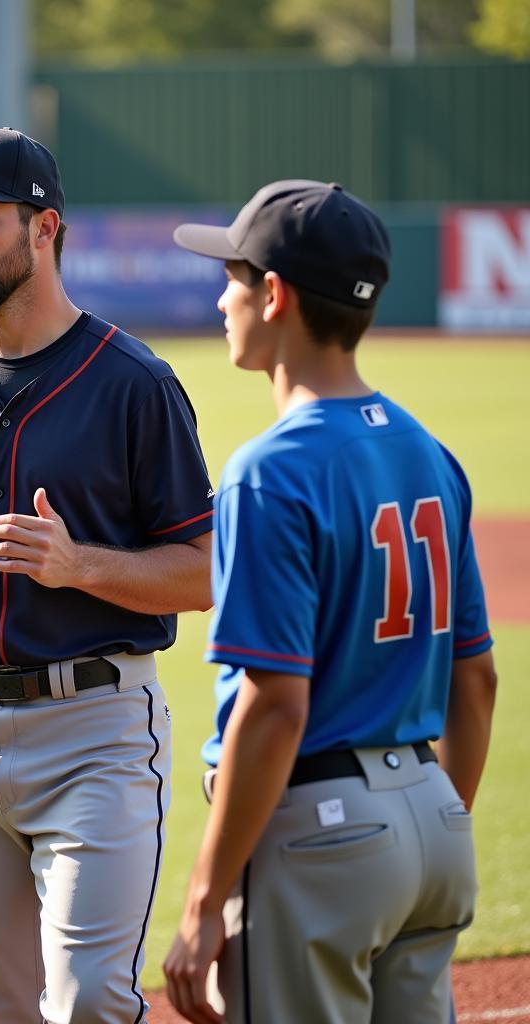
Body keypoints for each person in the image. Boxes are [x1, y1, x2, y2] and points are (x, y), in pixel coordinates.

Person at [0, 126, 215, 1024]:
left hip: (95, 729)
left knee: (92, 999)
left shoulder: (134, 382)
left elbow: (208, 570)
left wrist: (79, 565)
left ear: (45, 227)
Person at [163, 180, 498, 1024]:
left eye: (233, 277)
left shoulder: (269, 470)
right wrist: (436, 818)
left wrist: (203, 904)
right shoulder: (431, 453)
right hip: (434, 821)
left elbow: (274, 705)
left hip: (323, 836)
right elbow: (478, 679)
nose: (221, 297)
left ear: (273, 295)